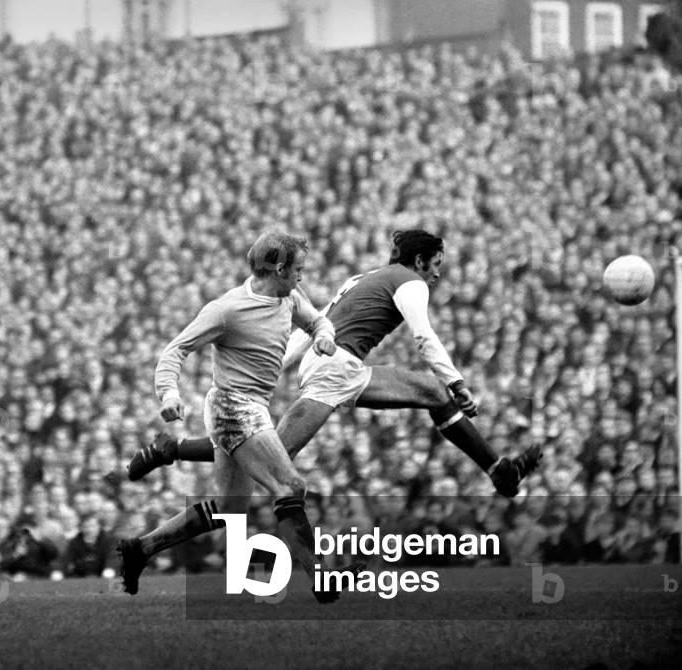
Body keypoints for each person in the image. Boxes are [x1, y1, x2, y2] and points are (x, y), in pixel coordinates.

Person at [127, 230, 541, 499]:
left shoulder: (364, 278)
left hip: (330, 362)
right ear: (419, 262)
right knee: (279, 456)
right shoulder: (409, 283)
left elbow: (315, 321)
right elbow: (422, 335)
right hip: (334, 368)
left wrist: (286, 362)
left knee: (431, 394)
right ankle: (172, 448)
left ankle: (498, 469)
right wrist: (457, 380)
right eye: (436, 265)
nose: (438, 274)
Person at [117, 231, 338, 601]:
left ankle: (140, 549)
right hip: (232, 407)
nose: (303, 276)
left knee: (229, 510)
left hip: (252, 406)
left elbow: (318, 322)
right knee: (290, 487)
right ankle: (321, 577)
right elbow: (175, 351)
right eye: (298, 269)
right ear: (279, 268)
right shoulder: (228, 309)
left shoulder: (289, 297)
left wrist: (323, 336)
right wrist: (168, 392)